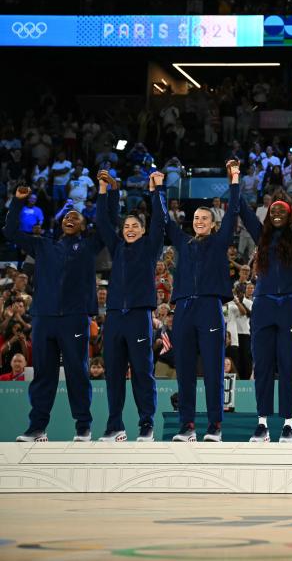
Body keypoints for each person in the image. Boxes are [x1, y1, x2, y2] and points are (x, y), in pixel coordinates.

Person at [5, 185, 105, 442]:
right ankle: (37, 428)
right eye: (67, 217)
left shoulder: (88, 247)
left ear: (84, 226)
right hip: (43, 318)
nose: (70, 219)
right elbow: (11, 232)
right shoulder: (43, 245)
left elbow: (108, 224)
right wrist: (17, 202)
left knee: (77, 372)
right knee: (43, 375)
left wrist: (106, 193)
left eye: (76, 218)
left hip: (74, 318)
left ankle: (83, 426)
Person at [165, 161, 241, 442]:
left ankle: (215, 427)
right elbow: (163, 218)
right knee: (184, 370)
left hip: (209, 307)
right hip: (183, 308)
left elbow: (233, 211)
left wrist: (234, 180)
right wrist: (158, 189)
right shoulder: (182, 242)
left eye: (204, 219)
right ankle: (187, 426)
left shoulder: (220, 241)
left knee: (212, 369)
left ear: (213, 224)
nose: (199, 222)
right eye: (196, 218)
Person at [238, 177, 292, 444]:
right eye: (273, 211)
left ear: (290, 213)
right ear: (268, 215)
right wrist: (235, 180)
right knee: (262, 366)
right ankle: (261, 423)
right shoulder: (261, 235)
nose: (278, 214)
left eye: (282, 210)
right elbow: (241, 207)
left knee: (288, 367)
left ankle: (288, 424)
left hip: (290, 306)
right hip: (263, 305)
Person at [94, 169, 165, 442]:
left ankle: (146, 424)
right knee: (113, 374)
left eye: (135, 226)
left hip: (138, 316)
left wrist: (156, 190)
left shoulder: (150, 247)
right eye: (126, 226)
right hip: (114, 317)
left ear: (143, 230)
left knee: (142, 372)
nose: (130, 229)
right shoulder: (116, 247)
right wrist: (103, 190)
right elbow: (102, 222)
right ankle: (115, 426)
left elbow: (160, 221)